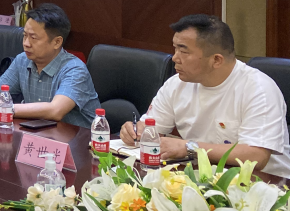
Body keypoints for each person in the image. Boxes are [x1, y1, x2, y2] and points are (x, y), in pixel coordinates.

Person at [119, 14, 290, 176]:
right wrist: (136, 132)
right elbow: (151, 130)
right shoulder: (176, 84)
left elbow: (256, 156)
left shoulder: (259, 89)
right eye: (175, 49)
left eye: (184, 51)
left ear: (216, 60)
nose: (175, 58)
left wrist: (188, 147)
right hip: (201, 178)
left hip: (265, 184)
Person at [0, 3, 99, 128]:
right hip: (38, 134)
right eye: (24, 36)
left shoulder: (74, 69)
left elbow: (55, 110)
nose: (26, 43)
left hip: (79, 139)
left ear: (57, 42)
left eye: (33, 38)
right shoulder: (22, 60)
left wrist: (5, 108)